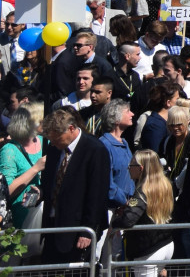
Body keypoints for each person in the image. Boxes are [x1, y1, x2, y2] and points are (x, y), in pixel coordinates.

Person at [39, 107, 111, 265]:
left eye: (57, 139)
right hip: (53, 225)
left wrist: (87, 230)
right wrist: (39, 192)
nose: (55, 143)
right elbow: (49, 181)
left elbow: (97, 194)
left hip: (79, 229)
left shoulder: (95, 150)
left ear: (71, 129)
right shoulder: (54, 150)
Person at [111, 150, 176, 277]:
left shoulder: (142, 191)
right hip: (166, 244)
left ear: (140, 168)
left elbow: (128, 220)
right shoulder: (166, 185)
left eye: (131, 165)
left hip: (148, 249)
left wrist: (115, 222)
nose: (129, 168)